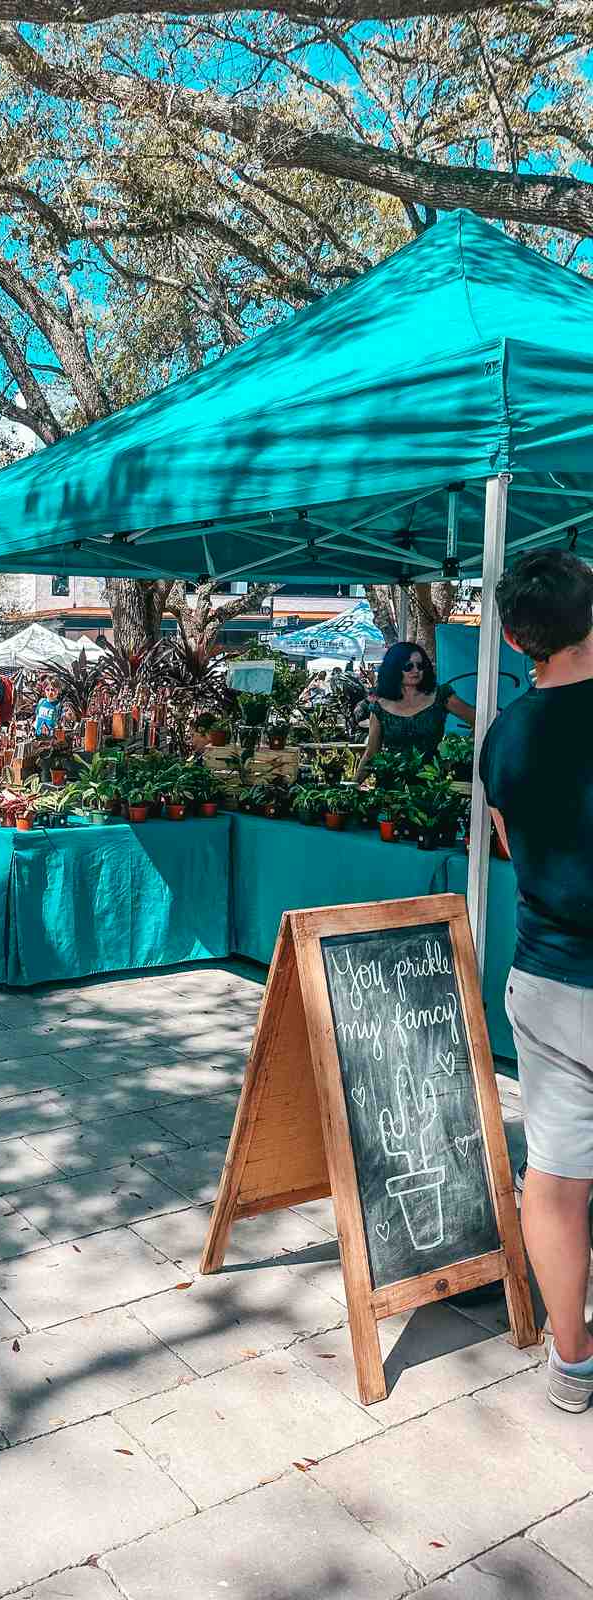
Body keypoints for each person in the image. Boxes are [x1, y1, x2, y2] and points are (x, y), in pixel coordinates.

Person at [477, 550, 593, 1411]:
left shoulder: (504, 733)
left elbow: (511, 842)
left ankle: (570, 1360)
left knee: (552, 1176)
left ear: (517, 638)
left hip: (547, 977)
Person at [353, 641, 475, 783]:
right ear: (394, 669)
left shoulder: (441, 696)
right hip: (391, 790)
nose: (416, 670)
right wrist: (352, 785)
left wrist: (460, 755)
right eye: (408, 666)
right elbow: (371, 753)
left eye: (420, 665)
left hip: (431, 789)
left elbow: (480, 721)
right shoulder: (380, 706)